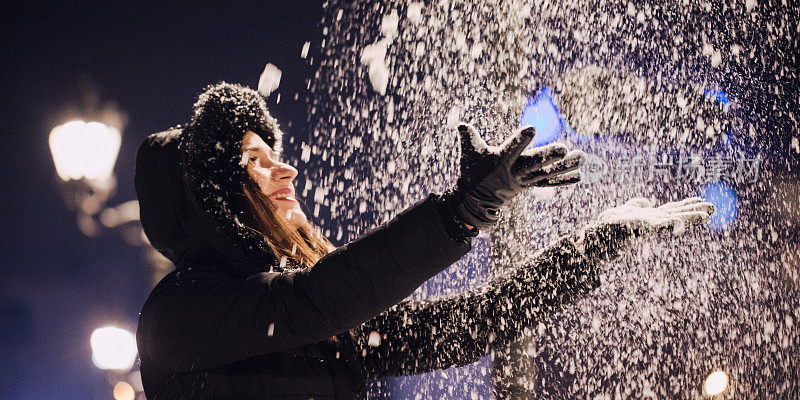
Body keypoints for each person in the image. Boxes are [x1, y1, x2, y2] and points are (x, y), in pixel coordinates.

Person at [135, 82, 714, 399]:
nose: (284, 171)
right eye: (255, 161)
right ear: (213, 195)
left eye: (279, 156)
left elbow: (470, 326)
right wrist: (459, 212)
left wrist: (599, 241)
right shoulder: (178, 316)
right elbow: (307, 303)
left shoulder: (310, 314)